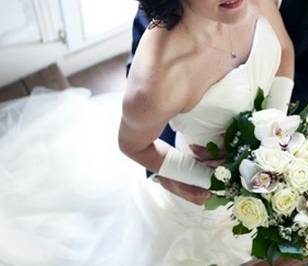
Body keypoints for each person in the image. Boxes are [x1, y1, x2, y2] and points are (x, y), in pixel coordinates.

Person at [126, 0, 308, 205]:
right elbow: (136, 140)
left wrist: (271, 141)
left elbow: (290, 54)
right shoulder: (159, 75)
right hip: (201, 176)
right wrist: (224, 180)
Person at [118, 0, 294, 264]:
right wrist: (223, 180)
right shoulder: (156, 81)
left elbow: (284, 52)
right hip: (205, 201)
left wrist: (272, 139)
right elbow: (132, 145)